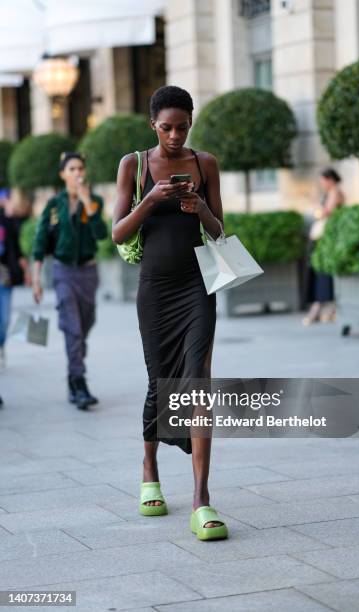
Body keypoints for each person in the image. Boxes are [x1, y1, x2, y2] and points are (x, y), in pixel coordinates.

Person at [113, 85, 228, 540]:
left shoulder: (206, 163)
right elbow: (120, 232)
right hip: (155, 290)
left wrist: (199, 207)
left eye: (183, 127)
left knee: (198, 380)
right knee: (160, 380)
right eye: (167, 128)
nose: (176, 136)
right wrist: (152, 199)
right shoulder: (133, 165)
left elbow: (220, 232)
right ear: (152, 125)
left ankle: (201, 499)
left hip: (198, 286)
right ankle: (149, 467)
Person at [32, 152, 108, 409]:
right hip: (63, 272)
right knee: (73, 328)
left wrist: (88, 203)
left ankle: (73, 372)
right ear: (63, 174)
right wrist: (36, 279)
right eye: (72, 169)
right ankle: (78, 381)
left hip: (88, 273)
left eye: (80, 168)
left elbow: (101, 235)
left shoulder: (94, 201)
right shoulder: (54, 205)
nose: (77, 173)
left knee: (84, 326)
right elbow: (41, 241)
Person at [303, 167, 345, 325]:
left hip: (325, 239)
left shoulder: (335, 193)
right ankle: (325, 309)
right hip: (320, 237)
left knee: (322, 273)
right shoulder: (330, 193)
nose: (322, 184)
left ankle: (320, 309)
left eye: (323, 180)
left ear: (330, 179)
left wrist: (314, 204)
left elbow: (325, 213)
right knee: (318, 273)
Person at [0, 189, 31, 376]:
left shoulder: (8, 221)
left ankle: (1, 345)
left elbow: (17, 250)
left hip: (4, 276)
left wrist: (28, 273)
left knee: (4, 320)